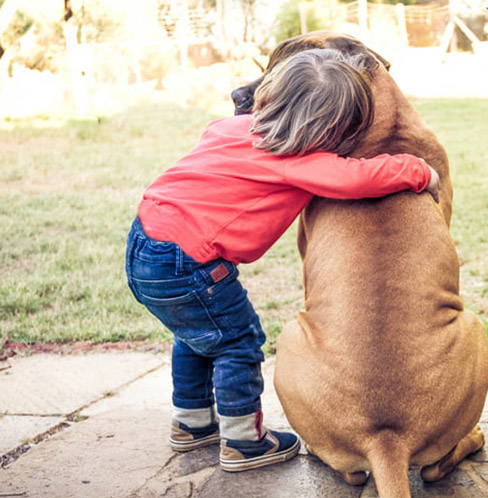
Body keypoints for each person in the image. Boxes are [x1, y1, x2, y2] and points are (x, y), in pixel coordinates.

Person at [124, 48, 440, 473]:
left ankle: (193, 423)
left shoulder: (225, 129)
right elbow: (360, 178)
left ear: (270, 95)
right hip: (190, 263)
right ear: (333, 131)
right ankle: (244, 440)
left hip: (144, 245)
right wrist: (420, 171)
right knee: (237, 342)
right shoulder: (298, 162)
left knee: (197, 335)